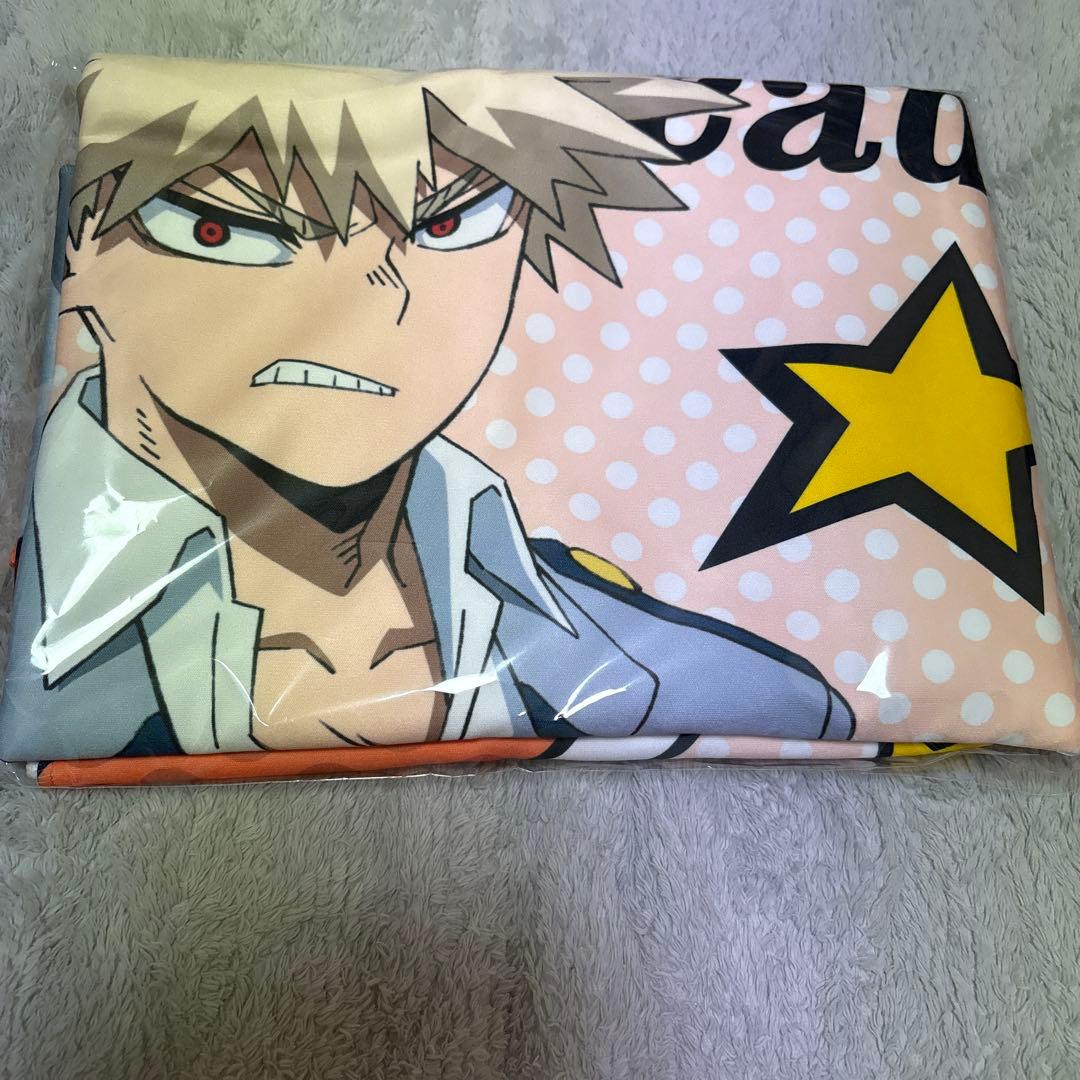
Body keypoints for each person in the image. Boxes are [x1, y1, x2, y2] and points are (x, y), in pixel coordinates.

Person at [0, 55, 854, 762]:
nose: (370, 305)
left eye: (451, 225)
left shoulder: (723, 677)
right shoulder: (64, 660)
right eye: (219, 229)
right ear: (83, 247)